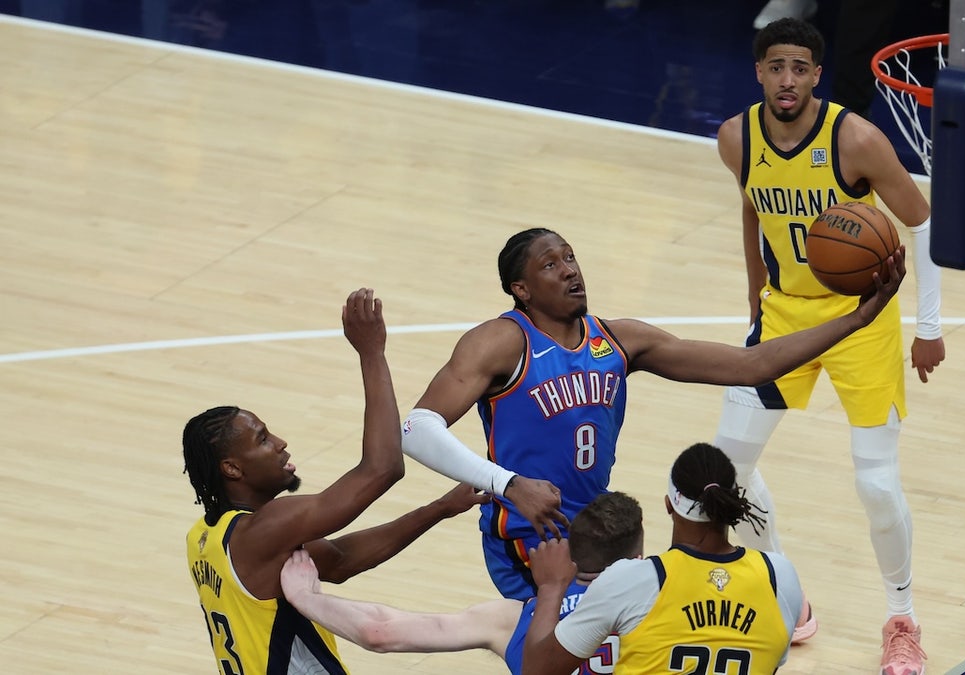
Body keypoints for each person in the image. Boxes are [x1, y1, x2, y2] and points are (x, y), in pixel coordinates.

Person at [399, 227, 906, 602]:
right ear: (521, 289)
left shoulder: (618, 340)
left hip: (599, 535)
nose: (570, 269)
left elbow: (753, 365)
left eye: (571, 256)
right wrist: (509, 484)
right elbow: (416, 429)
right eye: (551, 264)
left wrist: (859, 317)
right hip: (529, 541)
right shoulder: (503, 341)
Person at [711, 17, 945, 675]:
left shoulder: (858, 139)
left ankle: (903, 617)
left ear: (817, 74)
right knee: (723, 473)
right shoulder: (735, 138)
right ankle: (788, 594)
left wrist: (927, 328)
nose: (787, 79)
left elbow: (921, 222)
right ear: (759, 71)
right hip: (786, 318)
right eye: (775, 66)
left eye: (800, 68)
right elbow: (753, 209)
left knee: (875, 482)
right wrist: (756, 301)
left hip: (862, 319)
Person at [183, 287, 487, 675]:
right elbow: (382, 468)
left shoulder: (204, 537)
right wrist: (371, 353)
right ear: (232, 469)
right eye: (262, 439)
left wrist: (438, 509)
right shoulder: (264, 530)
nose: (279, 443)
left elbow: (340, 561)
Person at [279, 491, 644, 674]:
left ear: (566, 555)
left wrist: (306, 598)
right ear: (638, 559)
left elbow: (381, 632)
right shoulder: (664, 597)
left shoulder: (514, 619)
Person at [522, 442, 803, 675]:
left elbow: (538, 671)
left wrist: (550, 588)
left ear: (669, 504)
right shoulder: (779, 577)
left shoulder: (633, 581)